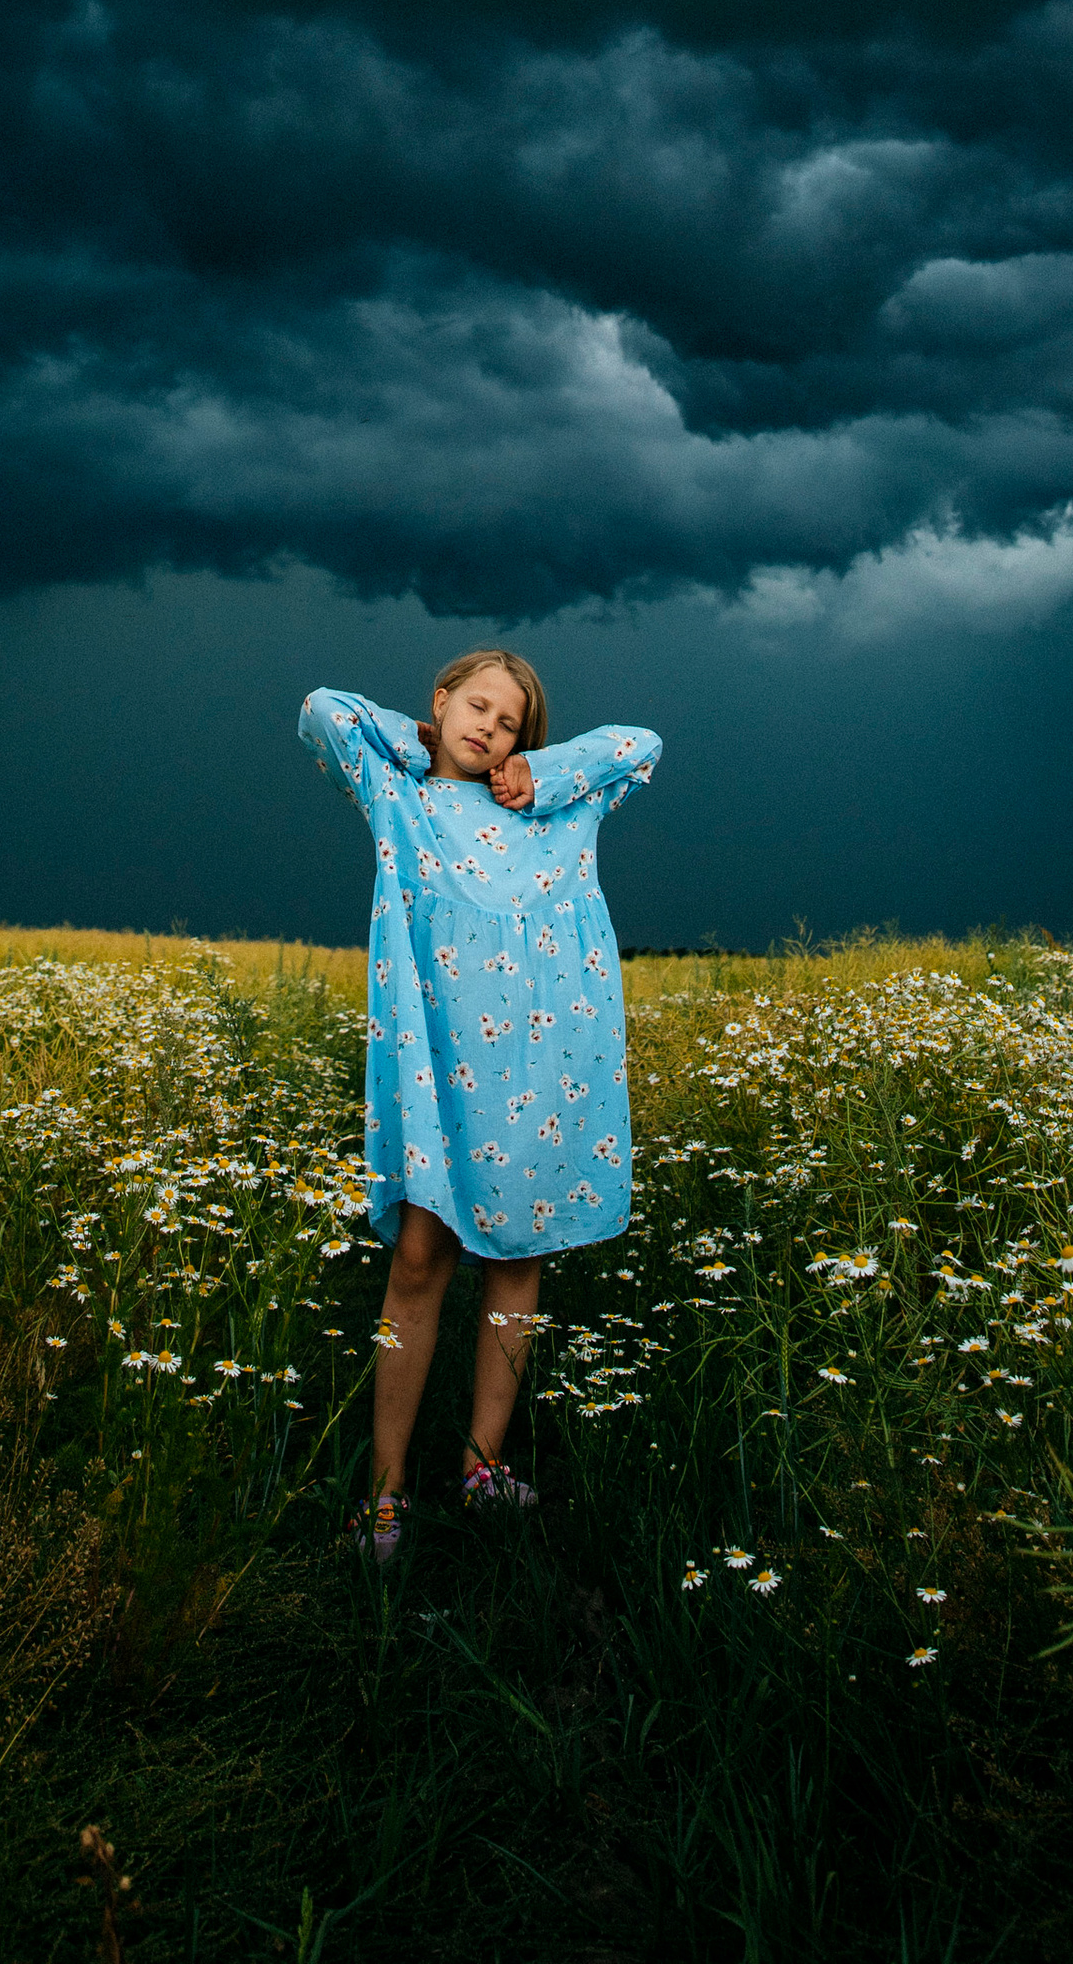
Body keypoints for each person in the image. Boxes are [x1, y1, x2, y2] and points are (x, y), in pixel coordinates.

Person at [299, 647, 661, 1562]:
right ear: (442, 700)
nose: (487, 727)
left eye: (507, 722)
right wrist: (414, 742)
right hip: (436, 1070)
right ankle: (384, 1497)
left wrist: (547, 769)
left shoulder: (560, 806)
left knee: (519, 1255)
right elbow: (320, 708)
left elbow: (642, 742)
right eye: (475, 707)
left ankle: (480, 1465)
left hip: (544, 1068)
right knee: (420, 1255)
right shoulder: (402, 798)